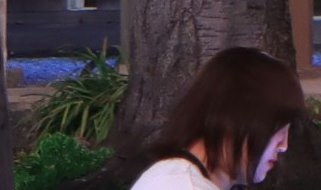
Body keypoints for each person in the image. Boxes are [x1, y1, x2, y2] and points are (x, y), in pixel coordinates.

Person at [131, 47, 307, 189]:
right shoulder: (183, 185)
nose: (283, 145)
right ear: (236, 118)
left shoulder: (181, 178)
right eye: (277, 128)